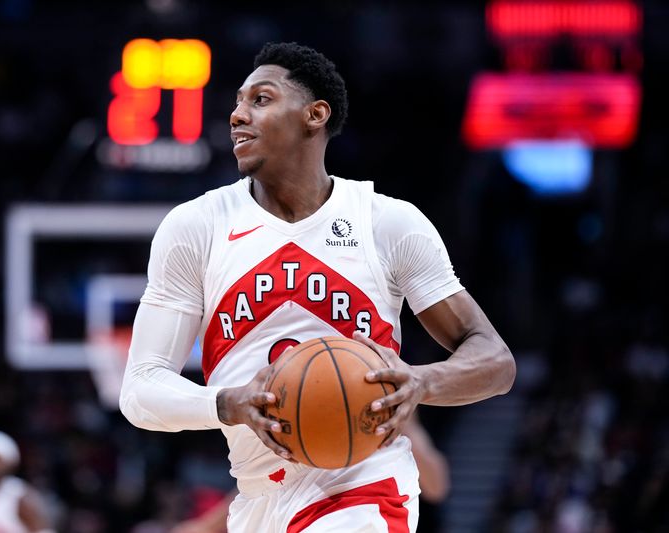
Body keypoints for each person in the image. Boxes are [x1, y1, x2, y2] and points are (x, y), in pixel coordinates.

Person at [120, 42, 515, 532]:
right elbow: (140, 390)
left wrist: (423, 381)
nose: (238, 115)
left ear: (315, 114)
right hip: (257, 497)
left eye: (260, 99)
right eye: (237, 102)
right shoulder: (196, 226)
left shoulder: (387, 223)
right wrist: (229, 402)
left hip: (367, 482)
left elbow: (496, 361)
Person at [170, 412, 450, 533]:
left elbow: (437, 486)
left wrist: (405, 428)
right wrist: (207, 525)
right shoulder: (321, 429)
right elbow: (276, 482)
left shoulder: (396, 417)